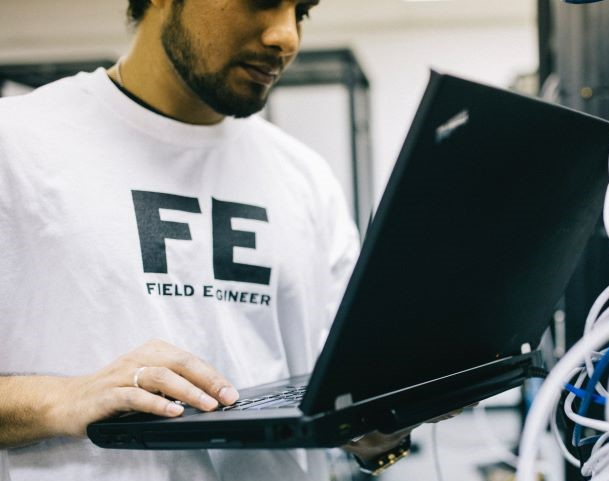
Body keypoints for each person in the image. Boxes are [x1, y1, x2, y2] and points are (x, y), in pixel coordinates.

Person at [0, 0, 421, 479]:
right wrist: (61, 399)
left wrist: (381, 430)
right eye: (261, 2)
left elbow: (345, 400)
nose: (287, 38)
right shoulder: (15, 143)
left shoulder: (305, 176)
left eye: (301, 11)